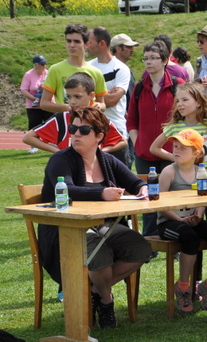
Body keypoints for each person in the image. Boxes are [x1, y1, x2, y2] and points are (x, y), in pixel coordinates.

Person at [38, 107, 152, 328]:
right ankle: (106, 300)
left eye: (84, 130)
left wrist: (143, 188)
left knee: (141, 248)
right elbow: (68, 189)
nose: (76, 134)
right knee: (98, 251)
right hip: (65, 229)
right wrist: (102, 193)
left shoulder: (107, 160)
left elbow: (135, 181)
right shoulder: (60, 159)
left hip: (103, 225)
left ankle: (91, 291)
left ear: (99, 136)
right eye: (73, 129)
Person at [157, 129, 207, 314]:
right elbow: (159, 204)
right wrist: (180, 219)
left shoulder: (200, 172)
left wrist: (198, 215)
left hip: (191, 220)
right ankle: (183, 286)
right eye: (175, 146)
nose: (177, 150)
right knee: (190, 237)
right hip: (168, 222)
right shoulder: (169, 171)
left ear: (196, 153)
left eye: (183, 148)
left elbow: (203, 198)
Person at [127, 41, 185, 236]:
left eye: (153, 58)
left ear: (165, 60)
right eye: (145, 58)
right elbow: (131, 120)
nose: (148, 62)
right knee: (148, 199)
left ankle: (175, 240)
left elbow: (185, 116)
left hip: (171, 153)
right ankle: (149, 242)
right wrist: (138, 143)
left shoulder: (177, 85)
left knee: (172, 198)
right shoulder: (139, 88)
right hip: (144, 155)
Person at [23, 72, 126, 157]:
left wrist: (102, 151)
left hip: (94, 171)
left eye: (77, 97)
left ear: (91, 96)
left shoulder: (99, 119)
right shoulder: (61, 119)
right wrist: (58, 151)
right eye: (69, 97)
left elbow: (122, 141)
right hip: (67, 171)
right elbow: (28, 137)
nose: (72, 101)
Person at [87, 26, 131, 166]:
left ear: (102, 43)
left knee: (120, 177)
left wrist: (90, 96)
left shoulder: (121, 68)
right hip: (92, 131)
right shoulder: (87, 67)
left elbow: (112, 100)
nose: (86, 45)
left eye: (90, 42)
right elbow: (80, 98)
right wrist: (106, 93)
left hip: (116, 133)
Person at [40, 23, 107, 114]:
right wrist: (68, 107)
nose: (72, 45)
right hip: (66, 121)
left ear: (86, 44)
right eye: (69, 41)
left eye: (77, 41)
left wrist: (99, 106)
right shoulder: (55, 69)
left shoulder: (96, 72)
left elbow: (102, 104)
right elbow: (44, 103)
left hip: (89, 121)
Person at [111, 33, 139, 167]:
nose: (132, 50)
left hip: (128, 123)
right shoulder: (113, 70)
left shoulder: (125, 69)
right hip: (119, 125)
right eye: (128, 47)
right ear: (118, 48)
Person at [20, 55, 53, 153]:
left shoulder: (49, 73)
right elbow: (24, 90)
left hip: (48, 104)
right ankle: (34, 146)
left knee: (51, 124)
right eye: (42, 64)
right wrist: (34, 99)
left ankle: (54, 143)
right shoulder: (28, 74)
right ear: (35, 65)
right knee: (34, 126)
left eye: (45, 63)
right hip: (33, 106)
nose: (44, 65)